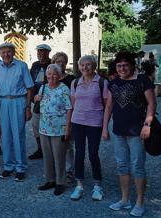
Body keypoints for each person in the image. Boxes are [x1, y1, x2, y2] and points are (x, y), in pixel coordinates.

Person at [102, 52, 156, 217]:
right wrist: (104, 128)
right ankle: (125, 200)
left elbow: (152, 103)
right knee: (121, 166)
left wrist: (147, 124)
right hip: (119, 131)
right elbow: (109, 106)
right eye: (119, 66)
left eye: (125, 65)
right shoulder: (114, 83)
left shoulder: (142, 81)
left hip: (137, 131)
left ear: (132, 65)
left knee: (138, 167)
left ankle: (140, 202)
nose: (122, 68)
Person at [69, 55, 108, 201]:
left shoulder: (102, 82)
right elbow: (72, 105)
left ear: (94, 66)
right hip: (77, 121)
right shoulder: (75, 82)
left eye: (88, 65)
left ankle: (97, 186)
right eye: (82, 65)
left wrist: (105, 127)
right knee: (79, 152)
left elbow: (107, 106)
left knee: (93, 153)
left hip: (94, 123)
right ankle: (79, 185)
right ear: (79, 67)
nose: (85, 68)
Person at [0, 42, 34, 181]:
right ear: (0, 54)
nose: (6, 54)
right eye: (3, 52)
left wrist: (28, 107)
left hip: (18, 101)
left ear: (13, 52)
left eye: (8, 51)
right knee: (5, 135)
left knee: (18, 135)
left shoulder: (21, 66)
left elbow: (29, 88)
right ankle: (8, 166)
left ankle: (20, 167)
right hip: (3, 102)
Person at [35, 64, 72, 195]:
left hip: (59, 128)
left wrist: (68, 127)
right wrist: (36, 98)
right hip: (44, 127)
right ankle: (50, 180)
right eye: (49, 74)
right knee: (47, 156)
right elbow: (37, 101)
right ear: (46, 75)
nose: (52, 76)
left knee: (59, 156)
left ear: (60, 75)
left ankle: (60, 182)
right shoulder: (43, 87)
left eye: (55, 74)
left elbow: (69, 109)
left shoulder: (64, 89)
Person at [52, 52, 77, 182]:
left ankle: (69, 171)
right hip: (53, 118)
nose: (60, 63)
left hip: (67, 116)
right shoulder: (50, 77)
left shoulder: (72, 79)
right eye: (58, 61)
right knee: (54, 145)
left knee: (67, 145)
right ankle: (57, 170)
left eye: (63, 61)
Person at [28, 44, 52, 160]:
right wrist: (31, 98)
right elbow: (30, 82)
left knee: (49, 125)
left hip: (49, 101)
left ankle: (50, 150)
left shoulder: (52, 65)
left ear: (48, 53)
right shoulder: (35, 65)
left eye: (44, 52)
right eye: (39, 52)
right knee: (36, 125)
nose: (41, 54)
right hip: (36, 101)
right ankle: (40, 149)